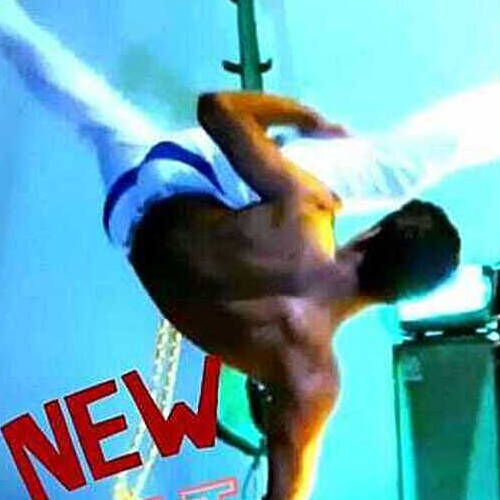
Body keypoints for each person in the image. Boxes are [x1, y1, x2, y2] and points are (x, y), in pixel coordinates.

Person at [0, 2, 467, 499]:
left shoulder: (310, 212)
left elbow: (216, 109)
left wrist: (306, 117)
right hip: (126, 214)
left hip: (174, 173)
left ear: (370, 235)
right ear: (397, 297)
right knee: (87, 109)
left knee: (357, 172)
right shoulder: (311, 380)